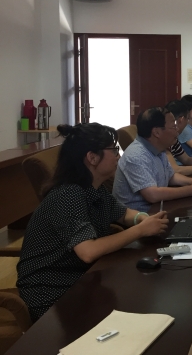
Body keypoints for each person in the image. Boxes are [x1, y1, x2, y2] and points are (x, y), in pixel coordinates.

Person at [16, 123, 169, 322]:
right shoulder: (68, 194)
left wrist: (142, 218)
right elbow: (88, 252)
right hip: (50, 292)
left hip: (80, 278)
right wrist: (140, 230)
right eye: (114, 150)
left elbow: (123, 214)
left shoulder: (92, 188)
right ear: (92, 157)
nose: (118, 156)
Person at [113, 107, 192, 211]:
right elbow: (152, 195)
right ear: (157, 132)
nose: (177, 131)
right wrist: (191, 190)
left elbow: (170, 176)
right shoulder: (136, 155)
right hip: (140, 215)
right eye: (173, 126)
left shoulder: (159, 148)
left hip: (158, 208)